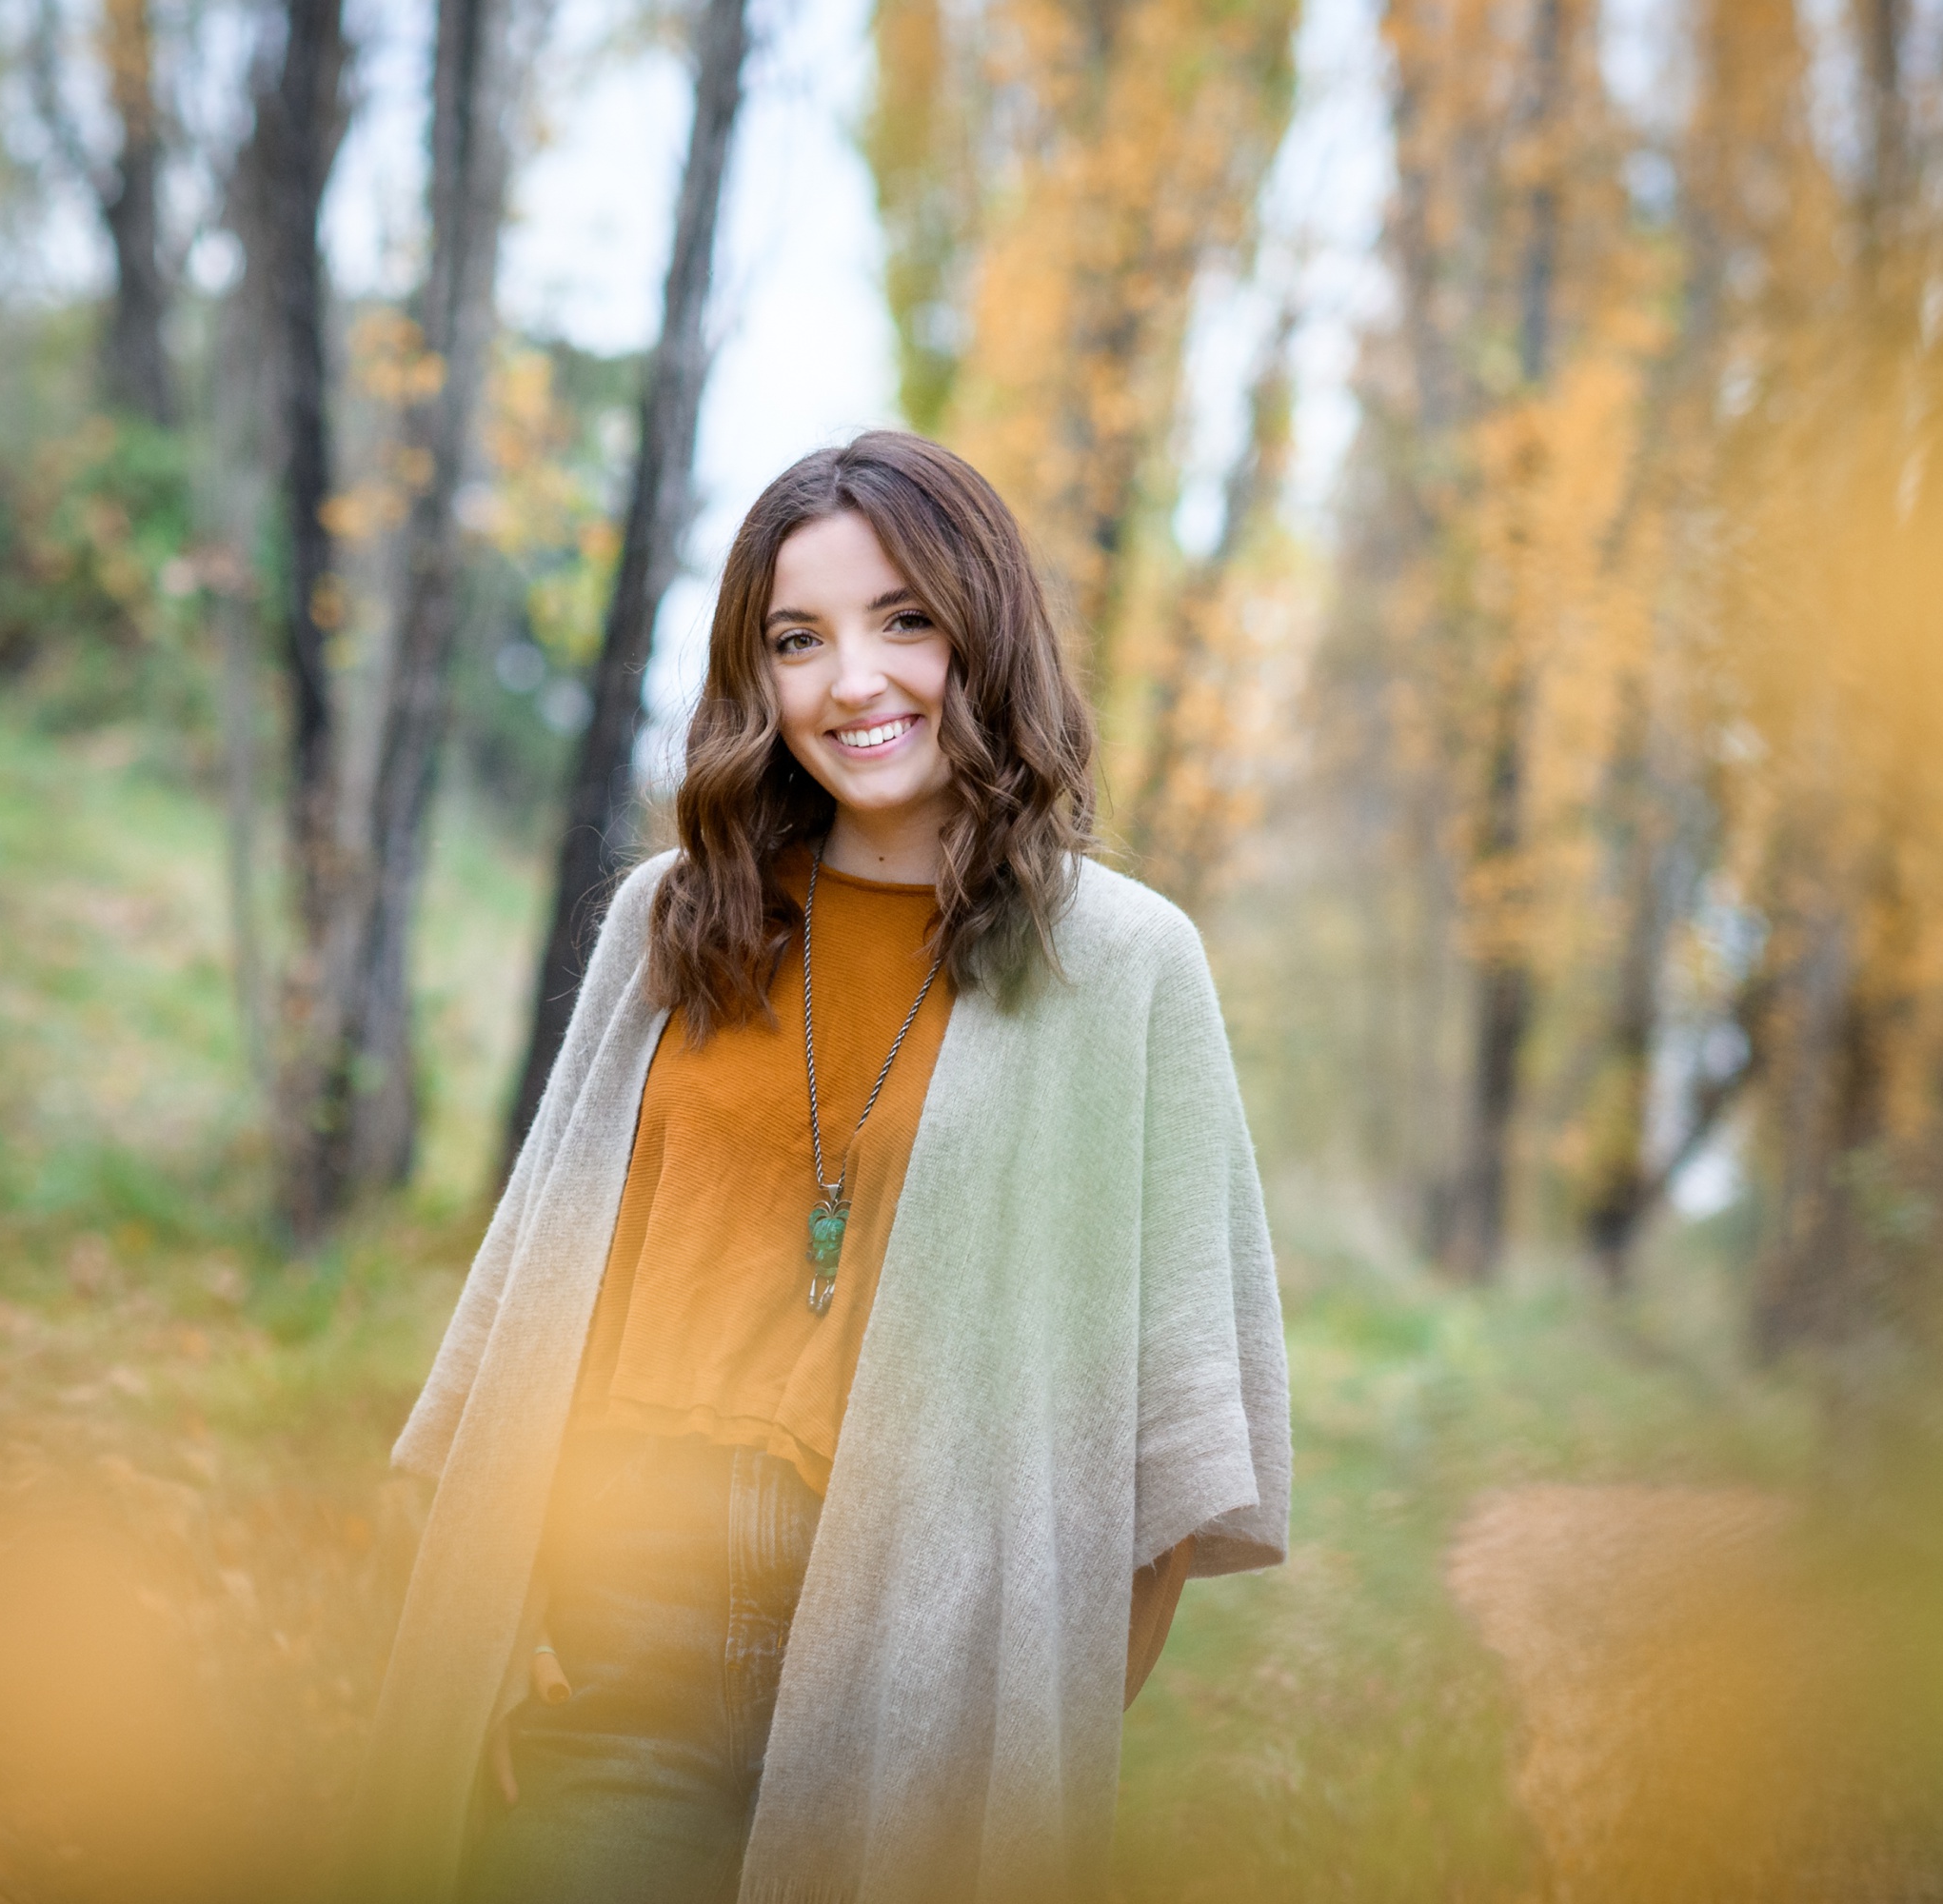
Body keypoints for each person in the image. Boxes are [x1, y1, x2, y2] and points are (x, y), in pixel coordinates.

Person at [351, 431, 1289, 1904]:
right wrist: (528, 1598)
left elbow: (1165, 1431)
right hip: (628, 1620)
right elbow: (538, 1295)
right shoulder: (675, 917)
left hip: (924, 1627)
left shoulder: (1122, 968)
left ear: (984, 630)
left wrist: (1033, 1735)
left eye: (903, 619)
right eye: (800, 639)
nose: (854, 682)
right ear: (756, 675)